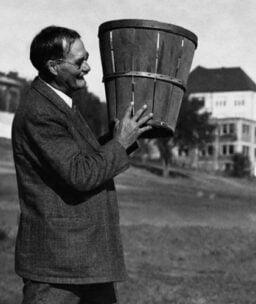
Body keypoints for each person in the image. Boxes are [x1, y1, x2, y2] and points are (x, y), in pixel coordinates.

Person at [11, 26, 153, 303]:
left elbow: (80, 159)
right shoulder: (39, 112)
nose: (88, 67)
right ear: (53, 66)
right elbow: (80, 174)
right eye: (79, 62)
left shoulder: (58, 104)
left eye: (86, 58)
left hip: (84, 261)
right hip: (57, 267)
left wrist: (126, 136)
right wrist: (119, 143)